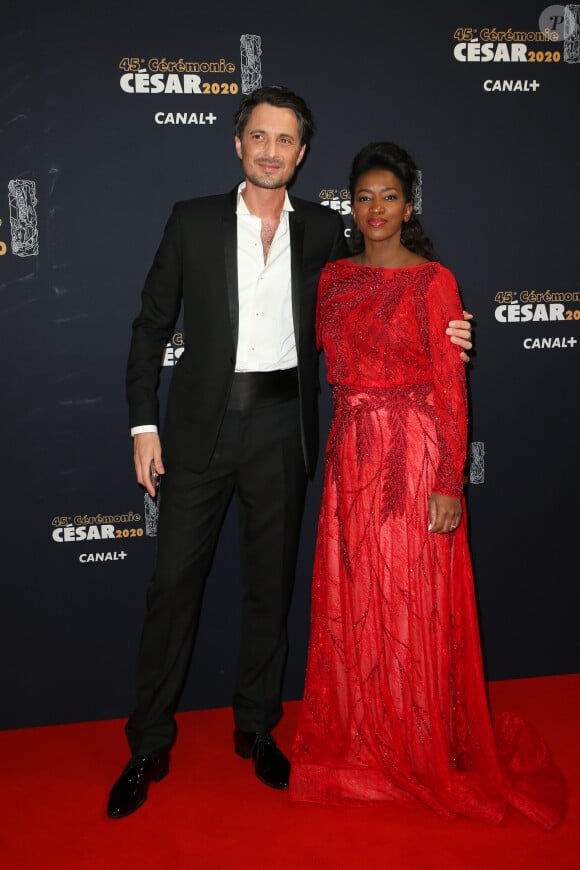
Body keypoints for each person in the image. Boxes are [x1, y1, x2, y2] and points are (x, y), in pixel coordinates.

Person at [107, 92, 474, 820]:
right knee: (174, 587)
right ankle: (147, 742)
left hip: (284, 430)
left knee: (270, 591)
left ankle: (256, 728)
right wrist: (142, 427)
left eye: (285, 140)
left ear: (302, 154)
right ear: (238, 143)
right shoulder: (191, 220)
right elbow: (150, 327)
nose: (271, 150)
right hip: (198, 434)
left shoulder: (324, 233)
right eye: (259, 137)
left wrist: (450, 332)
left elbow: (383, 292)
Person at [288, 141, 566, 828]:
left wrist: (449, 482)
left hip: (410, 456)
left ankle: (416, 739)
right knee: (354, 599)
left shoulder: (435, 280)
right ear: (349, 207)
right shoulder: (333, 280)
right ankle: (365, 740)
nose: (375, 208)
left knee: (410, 597)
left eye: (388, 196)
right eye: (364, 196)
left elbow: (450, 386)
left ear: (408, 206)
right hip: (350, 452)